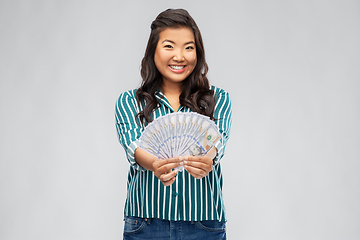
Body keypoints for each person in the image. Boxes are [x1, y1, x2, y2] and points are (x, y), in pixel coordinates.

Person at [115, 8, 232, 240]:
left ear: (198, 53)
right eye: (169, 46)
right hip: (146, 223)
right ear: (153, 51)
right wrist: (155, 164)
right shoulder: (129, 102)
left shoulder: (218, 100)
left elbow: (217, 143)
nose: (179, 56)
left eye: (188, 47)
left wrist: (206, 160)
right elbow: (134, 148)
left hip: (204, 224)